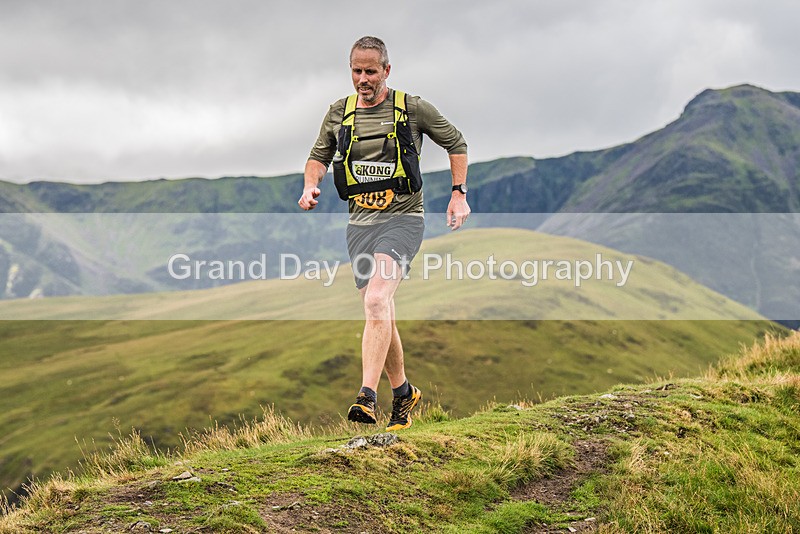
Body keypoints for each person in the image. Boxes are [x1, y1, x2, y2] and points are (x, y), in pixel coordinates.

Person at [298, 36, 469, 431]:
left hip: (404, 219)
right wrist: (310, 185)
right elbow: (318, 156)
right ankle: (404, 393)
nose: (363, 79)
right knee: (381, 310)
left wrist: (458, 194)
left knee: (376, 301)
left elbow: (456, 143)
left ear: (386, 70)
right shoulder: (339, 112)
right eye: (356, 71)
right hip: (359, 225)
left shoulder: (412, 108)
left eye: (370, 71)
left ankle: (366, 396)